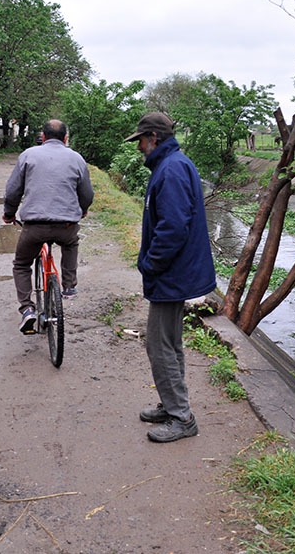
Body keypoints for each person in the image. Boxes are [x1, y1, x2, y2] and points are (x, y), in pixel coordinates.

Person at [124, 112, 216, 443]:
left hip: (172, 273)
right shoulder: (172, 164)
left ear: (153, 137)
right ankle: (172, 405)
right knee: (169, 342)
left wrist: (150, 264)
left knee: (158, 345)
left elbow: (173, 228)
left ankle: (182, 417)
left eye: (140, 142)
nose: (139, 149)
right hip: (175, 272)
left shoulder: (172, 168)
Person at [3, 119, 94, 334]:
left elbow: (13, 190)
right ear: (66, 138)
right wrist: (82, 208)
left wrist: (9, 213)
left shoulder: (28, 155)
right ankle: (69, 285)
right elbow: (87, 193)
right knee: (71, 243)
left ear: (43, 137)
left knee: (22, 264)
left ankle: (27, 309)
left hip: (35, 226)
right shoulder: (77, 159)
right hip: (66, 224)